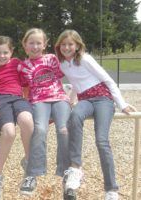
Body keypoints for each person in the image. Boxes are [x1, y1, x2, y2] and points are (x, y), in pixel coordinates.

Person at [54, 29, 136, 200]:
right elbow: (76, 83)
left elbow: (108, 80)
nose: (67, 47)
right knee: (74, 116)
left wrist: (121, 104)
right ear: (59, 46)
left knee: (101, 141)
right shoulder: (62, 63)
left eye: (70, 44)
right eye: (64, 44)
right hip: (85, 100)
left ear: (77, 46)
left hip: (102, 99)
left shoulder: (85, 59)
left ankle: (111, 189)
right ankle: (76, 168)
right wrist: (70, 100)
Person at [18, 28, 71, 195]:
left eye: (38, 43)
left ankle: (66, 172)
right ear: (25, 45)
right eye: (31, 43)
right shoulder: (23, 66)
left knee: (64, 129)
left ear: (45, 45)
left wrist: (73, 95)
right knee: (40, 129)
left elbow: (70, 72)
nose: (35, 46)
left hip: (59, 97)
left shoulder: (51, 59)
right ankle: (32, 173)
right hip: (39, 100)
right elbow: (22, 87)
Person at [0, 36, 34, 200]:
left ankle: (28, 163)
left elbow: (26, 83)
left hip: (18, 98)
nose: (2, 56)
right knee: (8, 132)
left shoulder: (16, 63)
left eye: (5, 52)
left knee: (27, 120)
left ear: (11, 52)